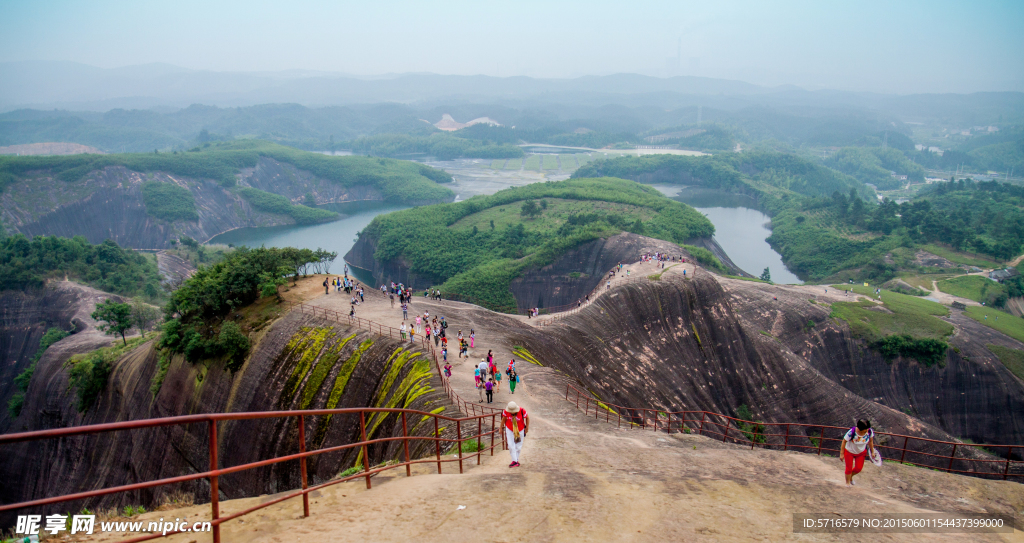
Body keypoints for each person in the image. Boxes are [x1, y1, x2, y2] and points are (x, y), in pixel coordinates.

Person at [840, 419, 876, 487]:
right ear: (860, 429)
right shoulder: (852, 432)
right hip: (849, 451)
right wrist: (842, 454)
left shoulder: (869, 432)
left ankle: (850, 477)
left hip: (861, 452)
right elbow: (844, 441)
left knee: (858, 468)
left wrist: (872, 452)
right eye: (865, 429)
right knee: (849, 468)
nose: (867, 430)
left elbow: (870, 441)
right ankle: (847, 483)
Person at [502, 401, 529, 467]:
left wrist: (527, 428)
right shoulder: (506, 412)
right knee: (511, 445)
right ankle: (515, 461)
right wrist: (500, 428)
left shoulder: (522, 410)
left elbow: (527, 418)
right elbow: (503, 419)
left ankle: (515, 460)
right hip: (510, 428)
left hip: (520, 429)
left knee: (518, 446)